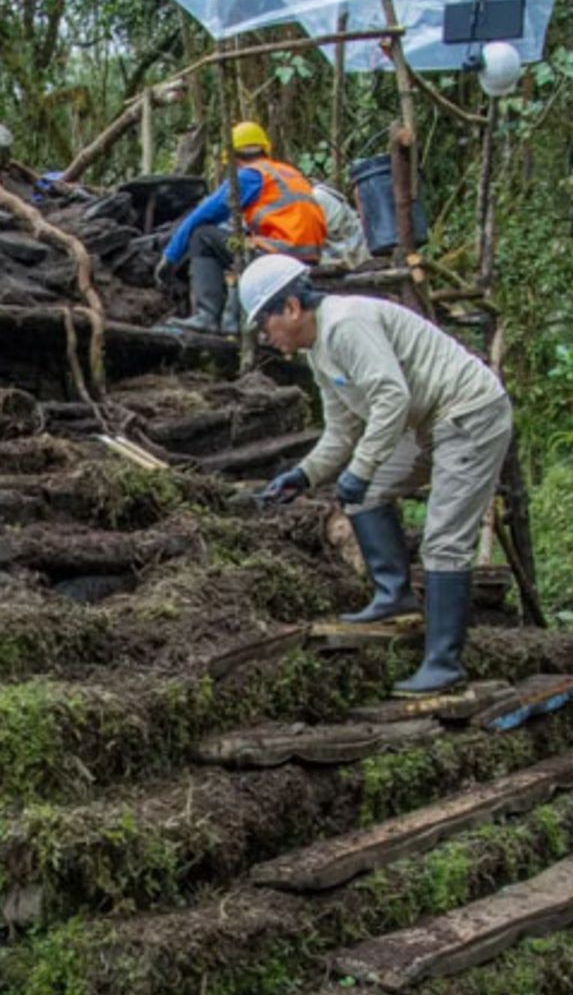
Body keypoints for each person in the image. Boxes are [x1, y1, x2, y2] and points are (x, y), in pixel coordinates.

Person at [241, 254, 512, 696]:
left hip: (469, 415)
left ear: (291, 307)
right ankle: (393, 595)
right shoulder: (319, 352)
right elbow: (342, 431)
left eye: (264, 324)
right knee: (366, 494)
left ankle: (444, 664)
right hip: (424, 423)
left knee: (443, 539)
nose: (266, 337)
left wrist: (361, 469)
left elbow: (391, 397)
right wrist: (303, 476)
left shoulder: (345, 323)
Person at [153, 121, 328, 335]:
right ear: (264, 149)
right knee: (239, 240)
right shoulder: (287, 172)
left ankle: (207, 315)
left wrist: (170, 257)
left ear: (233, 159)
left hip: (275, 253)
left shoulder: (249, 176)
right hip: (306, 256)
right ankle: (232, 320)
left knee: (203, 236)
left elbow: (202, 216)